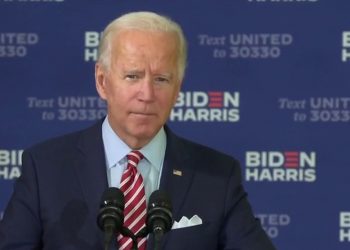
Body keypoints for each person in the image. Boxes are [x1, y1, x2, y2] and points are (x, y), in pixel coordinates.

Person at [0, 11, 276, 250]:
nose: (146, 94)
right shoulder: (45, 168)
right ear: (102, 81)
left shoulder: (218, 176)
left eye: (161, 79)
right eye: (132, 76)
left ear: (178, 88)